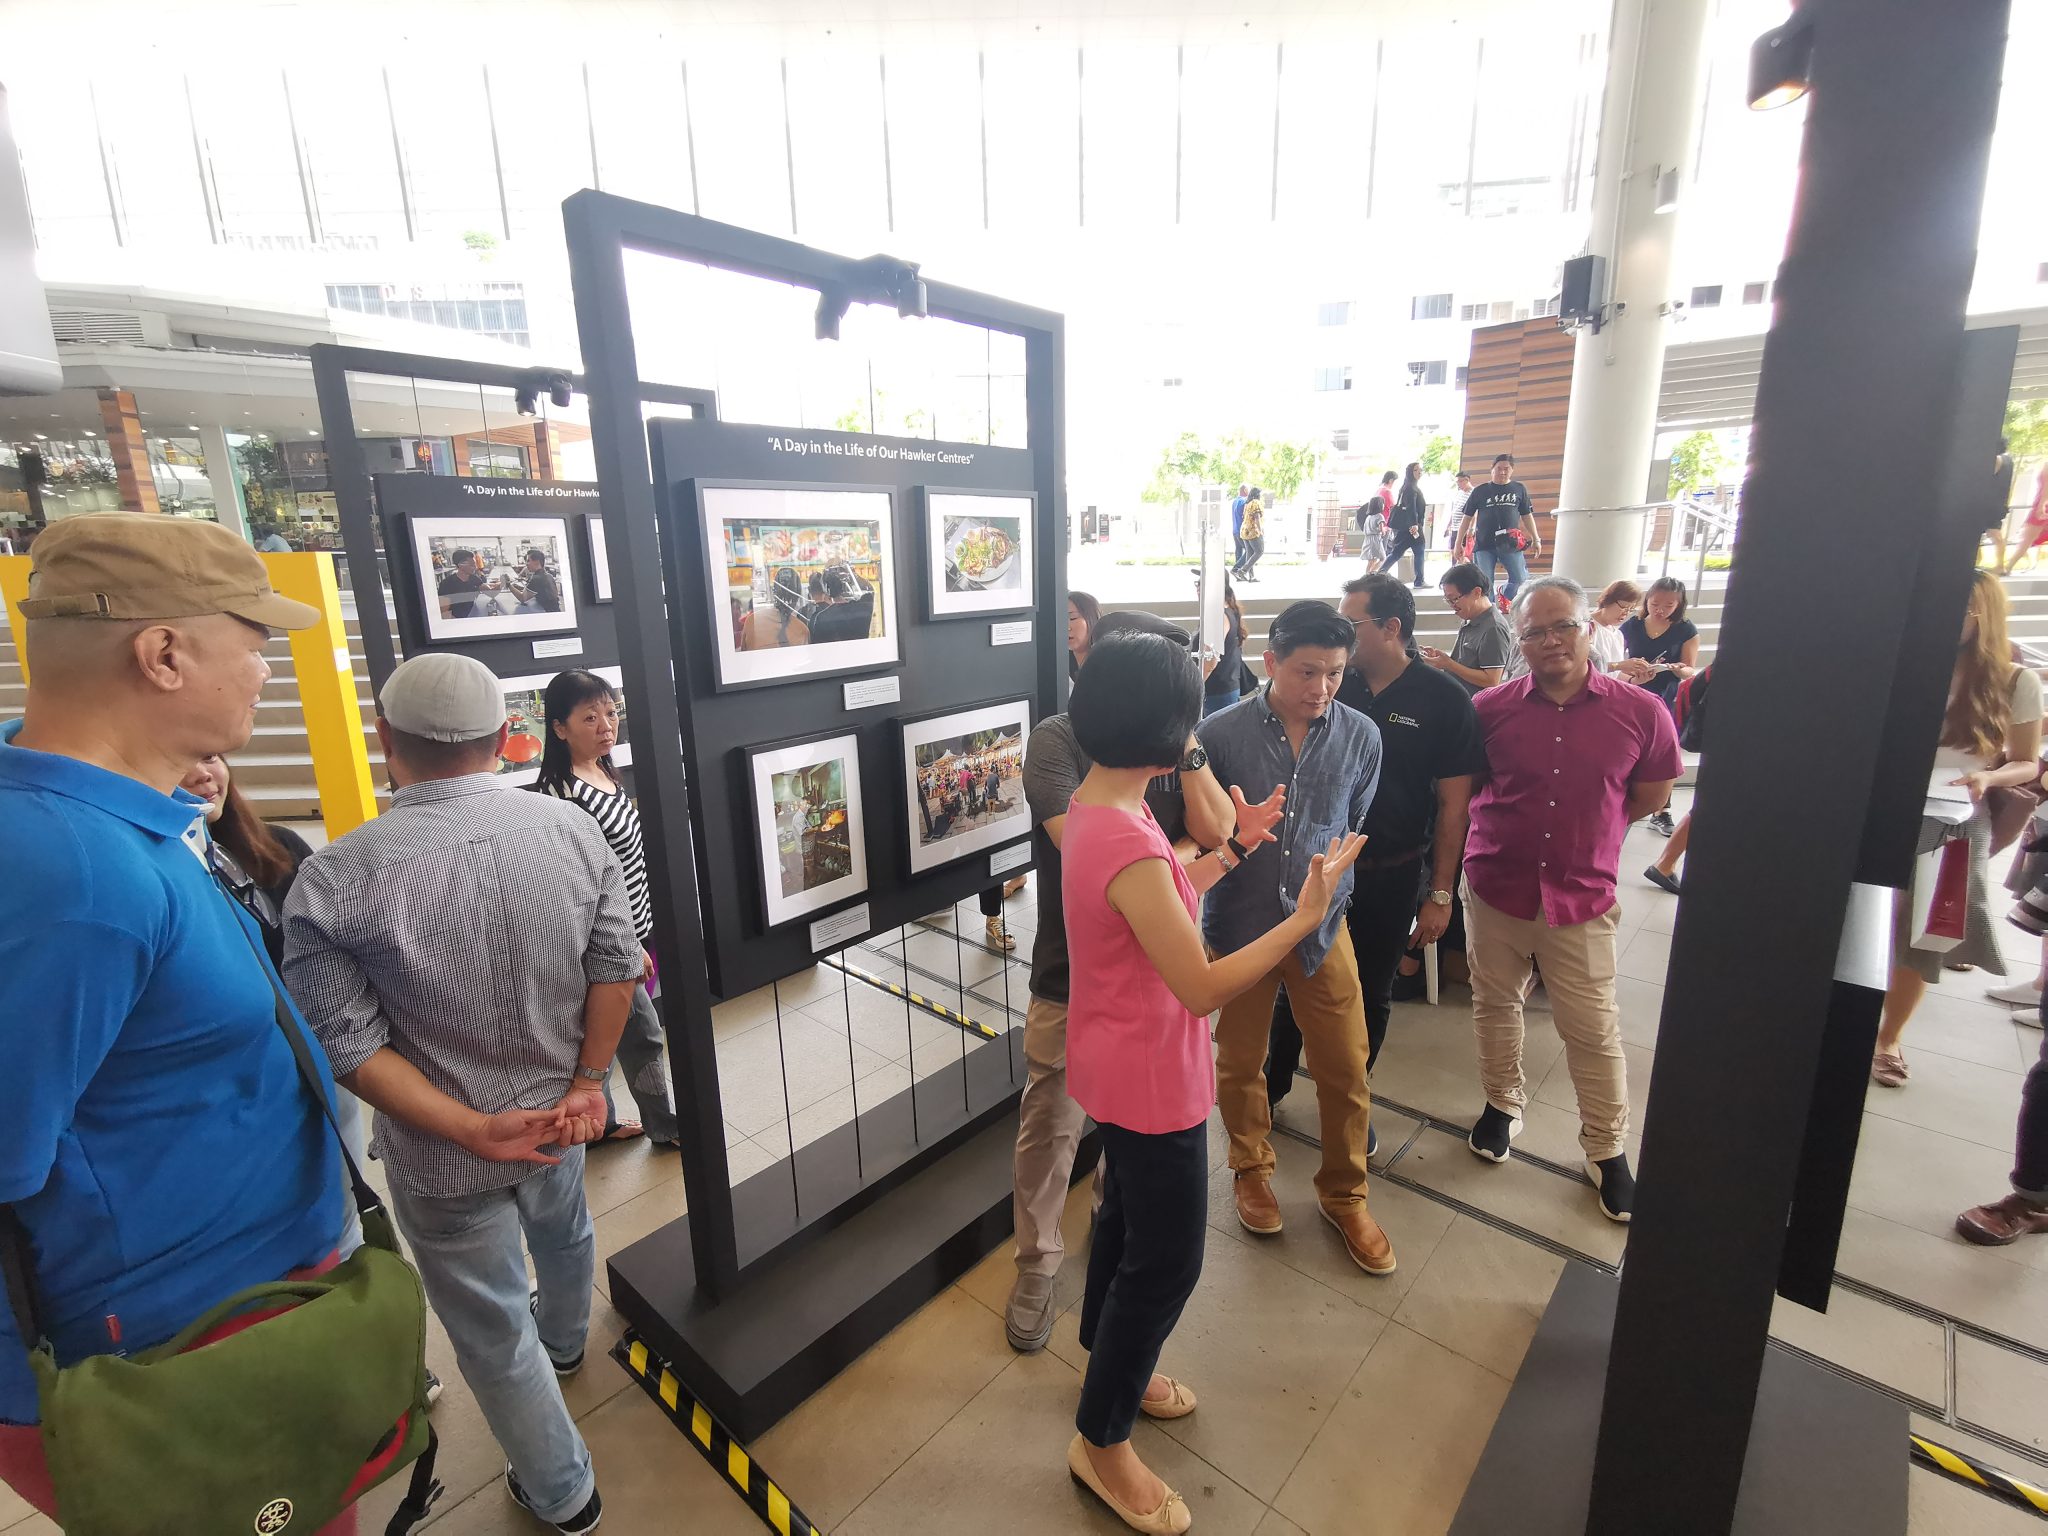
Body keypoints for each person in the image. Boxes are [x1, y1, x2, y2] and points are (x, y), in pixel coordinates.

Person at [0, 513, 357, 1532]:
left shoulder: (105, 821)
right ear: (161, 655)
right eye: (252, 646)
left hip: (227, 1314)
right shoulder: (76, 875)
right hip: (174, 1357)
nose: (264, 674)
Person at [284, 652, 644, 1536]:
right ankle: (567, 1344)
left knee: (488, 1327)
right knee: (563, 1231)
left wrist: (473, 1127)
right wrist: (590, 1081)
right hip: (562, 1110)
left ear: (384, 739)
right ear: (503, 738)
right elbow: (617, 965)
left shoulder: (335, 876)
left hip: (443, 1149)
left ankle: (564, 1493)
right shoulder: (570, 830)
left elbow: (348, 1044)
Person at [1061, 628, 1364, 1533]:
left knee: (1123, 1226)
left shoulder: (1099, 807)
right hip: (1153, 1077)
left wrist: (1232, 853)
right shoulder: (1132, 835)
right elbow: (1198, 985)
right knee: (1169, 1261)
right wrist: (1302, 915)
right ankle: (1100, 1438)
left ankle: (1106, 1354)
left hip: (1116, 1059)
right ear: (1167, 731)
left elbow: (1150, 904)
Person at [1005, 612, 1250, 1355]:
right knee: (1052, 1127)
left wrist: (1189, 752)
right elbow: (1121, 865)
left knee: (1127, 1177)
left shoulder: (1137, 780)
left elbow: (1215, 828)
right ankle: (1037, 1266)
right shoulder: (1065, 751)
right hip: (1072, 978)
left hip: (1149, 1006)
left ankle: (1103, 1297)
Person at [1462, 575, 1682, 1223]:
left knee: (1592, 1028)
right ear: (1519, 640)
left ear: (1591, 629)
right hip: (1497, 889)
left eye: (1563, 626)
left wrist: (1592, 836)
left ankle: (1606, 1147)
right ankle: (1502, 1104)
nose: (1550, 641)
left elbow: (1650, 797)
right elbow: (1473, 791)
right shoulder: (1489, 711)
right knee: (1495, 1004)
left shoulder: (1642, 712)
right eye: (1534, 631)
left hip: (1581, 898)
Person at [1199, 601, 1394, 1273]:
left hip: (1320, 922)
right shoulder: (1218, 733)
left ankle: (1345, 1195)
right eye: (1308, 671)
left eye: (1336, 674)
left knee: (1344, 1063)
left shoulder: (1362, 735)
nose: (1322, 688)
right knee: (1240, 1056)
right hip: (1242, 922)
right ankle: (1250, 1166)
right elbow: (1200, 830)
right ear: (1271, 661)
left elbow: (1355, 817)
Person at [1267, 575, 1485, 1115]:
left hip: (1390, 871)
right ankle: (1269, 1092)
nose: (1342, 633)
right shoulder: (1335, 685)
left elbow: (1455, 806)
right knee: (1292, 983)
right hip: (1314, 871)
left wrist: (1440, 894)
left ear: (1391, 628)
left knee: (1370, 991)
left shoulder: (1443, 699)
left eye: (1354, 622)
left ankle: (1347, 1100)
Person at [1871, 570, 2041, 1089]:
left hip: (1955, 814)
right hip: (1886, 803)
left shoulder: (2016, 680)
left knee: (1923, 934)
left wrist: (1989, 775)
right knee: (1862, 918)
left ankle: (1888, 1037)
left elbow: (2028, 763)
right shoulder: (1911, 664)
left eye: (1960, 609)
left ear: (1982, 614)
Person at [534, 668, 682, 1149]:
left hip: (636, 924)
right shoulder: (563, 793)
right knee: (643, 1035)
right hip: (611, 942)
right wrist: (627, 945)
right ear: (559, 728)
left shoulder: (602, 769)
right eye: (590, 716)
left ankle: (603, 1124)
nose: (605, 725)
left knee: (615, 1033)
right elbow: (579, 887)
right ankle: (666, 1127)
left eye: (611, 712)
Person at [179, 753, 315, 968]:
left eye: (209, 757)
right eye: (179, 761)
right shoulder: (158, 874)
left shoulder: (282, 845)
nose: (202, 775)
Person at [1616, 577, 1700, 833]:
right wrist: (1631, 672)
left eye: (1668, 605)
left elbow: (1690, 669)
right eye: (1655, 603)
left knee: (1662, 752)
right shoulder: (1632, 625)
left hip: (1665, 695)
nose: (1660, 609)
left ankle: (1662, 809)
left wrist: (1677, 668)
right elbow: (1619, 662)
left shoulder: (1685, 629)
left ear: (1679, 604)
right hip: (1633, 690)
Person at [1645, 663, 1712, 895]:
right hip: (1731, 747)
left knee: (1705, 806)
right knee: (1708, 806)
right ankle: (1664, 864)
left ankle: (1664, 863)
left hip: (1722, 744)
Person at [1459, 453, 1542, 602]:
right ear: (1492, 469)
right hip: (1484, 544)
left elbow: (1527, 515)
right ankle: (1490, 613)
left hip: (1511, 544)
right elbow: (1467, 518)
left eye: (1506, 469)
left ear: (1512, 470)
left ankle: (1504, 593)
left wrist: (1536, 539)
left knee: (1520, 577)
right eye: (1498, 468)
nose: (1502, 472)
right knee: (1485, 583)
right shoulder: (1480, 491)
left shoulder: (1519, 489)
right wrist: (1459, 543)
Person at [1424, 562, 1514, 695]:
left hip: (1476, 706)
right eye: (1448, 600)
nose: (1452, 605)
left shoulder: (1493, 628)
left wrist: (1449, 664)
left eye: (1454, 599)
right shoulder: (1470, 617)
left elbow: (1492, 680)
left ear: (1477, 592)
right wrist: (1442, 660)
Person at [1201, 573, 1248, 717]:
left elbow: (1210, 659)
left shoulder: (1218, 616)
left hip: (1217, 692)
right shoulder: (1228, 611)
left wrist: (1194, 685)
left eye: (1201, 584)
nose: (1198, 588)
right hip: (1224, 689)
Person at [1379, 464, 1429, 588]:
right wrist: (1414, 524)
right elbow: (1410, 507)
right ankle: (1418, 580)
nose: (1419, 472)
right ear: (1410, 472)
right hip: (1411, 527)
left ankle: (1380, 574)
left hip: (1408, 526)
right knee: (1411, 551)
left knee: (1401, 552)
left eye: (1420, 470)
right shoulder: (1410, 488)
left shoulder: (1408, 487)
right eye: (1416, 470)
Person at [740, 567, 812, 650]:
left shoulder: (752, 621)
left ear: (774, 592)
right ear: (797, 596)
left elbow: (744, 656)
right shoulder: (801, 630)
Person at [1589, 580, 1642, 673]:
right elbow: (1584, 667)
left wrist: (1634, 680)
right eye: (1624, 607)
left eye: (1631, 609)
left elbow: (1615, 676)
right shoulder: (1586, 626)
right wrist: (1619, 665)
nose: (1626, 613)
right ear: (1607, 600)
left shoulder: (1617, 634)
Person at [437, 546, 493, 619]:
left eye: (474, 564)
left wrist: (503, 583)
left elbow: (490, 592)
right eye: (471, 565)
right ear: (460, 565)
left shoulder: (474, 578)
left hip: (473, 616)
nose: (475, 567)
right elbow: (444, 613)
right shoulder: (446, 584)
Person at [510, 547, 562, 614]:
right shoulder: (548, 576)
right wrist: (517, 587)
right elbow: (536, 590)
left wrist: (509, 585)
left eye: (528, 561)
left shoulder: (536, 578)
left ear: (537, 561)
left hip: (547, 614)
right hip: (556, 611)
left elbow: (522, 598)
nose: (526, 563)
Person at [1069, 590, 1102, 680]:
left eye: (1072, 618)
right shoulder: (1059, 664)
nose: (1066, 627)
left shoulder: (1108, 662)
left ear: (1092, 618)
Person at [1441, 471, 1475, 556]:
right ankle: (1454, 568)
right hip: (1454, 528)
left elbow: (1474, 514)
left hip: (1464, 529)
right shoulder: (1459, 493)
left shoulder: (1473, 493)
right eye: (1457, 482)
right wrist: (1449, 525)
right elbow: (1454, 510)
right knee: (1453, 551)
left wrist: (1471, 529)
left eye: (1460, 481)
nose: (1458, 484)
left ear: (1466, 480)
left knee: (1462, 553)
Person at [1237, 488, 1267, 582]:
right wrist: (1260, 529)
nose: (1261, 496)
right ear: (1257, 494)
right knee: (1260, 551)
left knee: (1250, 554)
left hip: (1244, 531)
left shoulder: (1248, 503)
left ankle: (1251, 577)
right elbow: (1257, 517)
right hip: (1253, 531)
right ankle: (1243, 570)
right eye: (1260, 494)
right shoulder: (1255, 502)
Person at [1230, 482, 1250, 577]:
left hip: (1235, 530)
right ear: (1245, 490)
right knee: (1250, 551)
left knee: (1238, 551)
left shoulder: (1235, 501)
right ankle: (1237, 569)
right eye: (1248, 489)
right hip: (1241, 531)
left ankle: (1237, 574)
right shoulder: (1243, 501)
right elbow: (1244, 516)